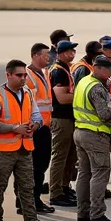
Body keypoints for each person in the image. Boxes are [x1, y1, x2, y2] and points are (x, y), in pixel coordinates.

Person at [0, 59, 54, 221]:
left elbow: (36, 115)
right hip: (4, 150)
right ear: (8, 75)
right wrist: (15, 128)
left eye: (24, 75)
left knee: (27, 188)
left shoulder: (28, 93)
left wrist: (35, 125)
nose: (23, 78)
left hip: (24, 148)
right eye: (19, 75)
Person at [72, 54, 111, 221]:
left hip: (80, 131)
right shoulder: (97, 88)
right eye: (107, 69)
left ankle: (82, 213)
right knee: (100, 173)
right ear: (97, 68)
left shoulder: (83, 82)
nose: (110, 73)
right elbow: (104, 114)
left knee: (84, 173)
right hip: (95, 134)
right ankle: (97, 214)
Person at [25, 43, 56, 214]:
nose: (48, 58)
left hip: (45, 127)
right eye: (45, 55)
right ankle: (28, 201)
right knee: (32, 167)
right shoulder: (27, 75)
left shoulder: (44, 73)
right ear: (35, 55)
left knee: (41, 165)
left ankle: (33, 199)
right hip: (33, 128)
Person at [49, 39, 78, 206]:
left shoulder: (66, 69)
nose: (72, 53)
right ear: (60, 53)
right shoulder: (58, 71)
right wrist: (80, 97)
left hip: (69, 118)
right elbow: (61, 98)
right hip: (61, 119)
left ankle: (65, 186)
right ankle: (56, 192)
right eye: (68, 51)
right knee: (60, 156)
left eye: (73, 51)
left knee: (70, 156)